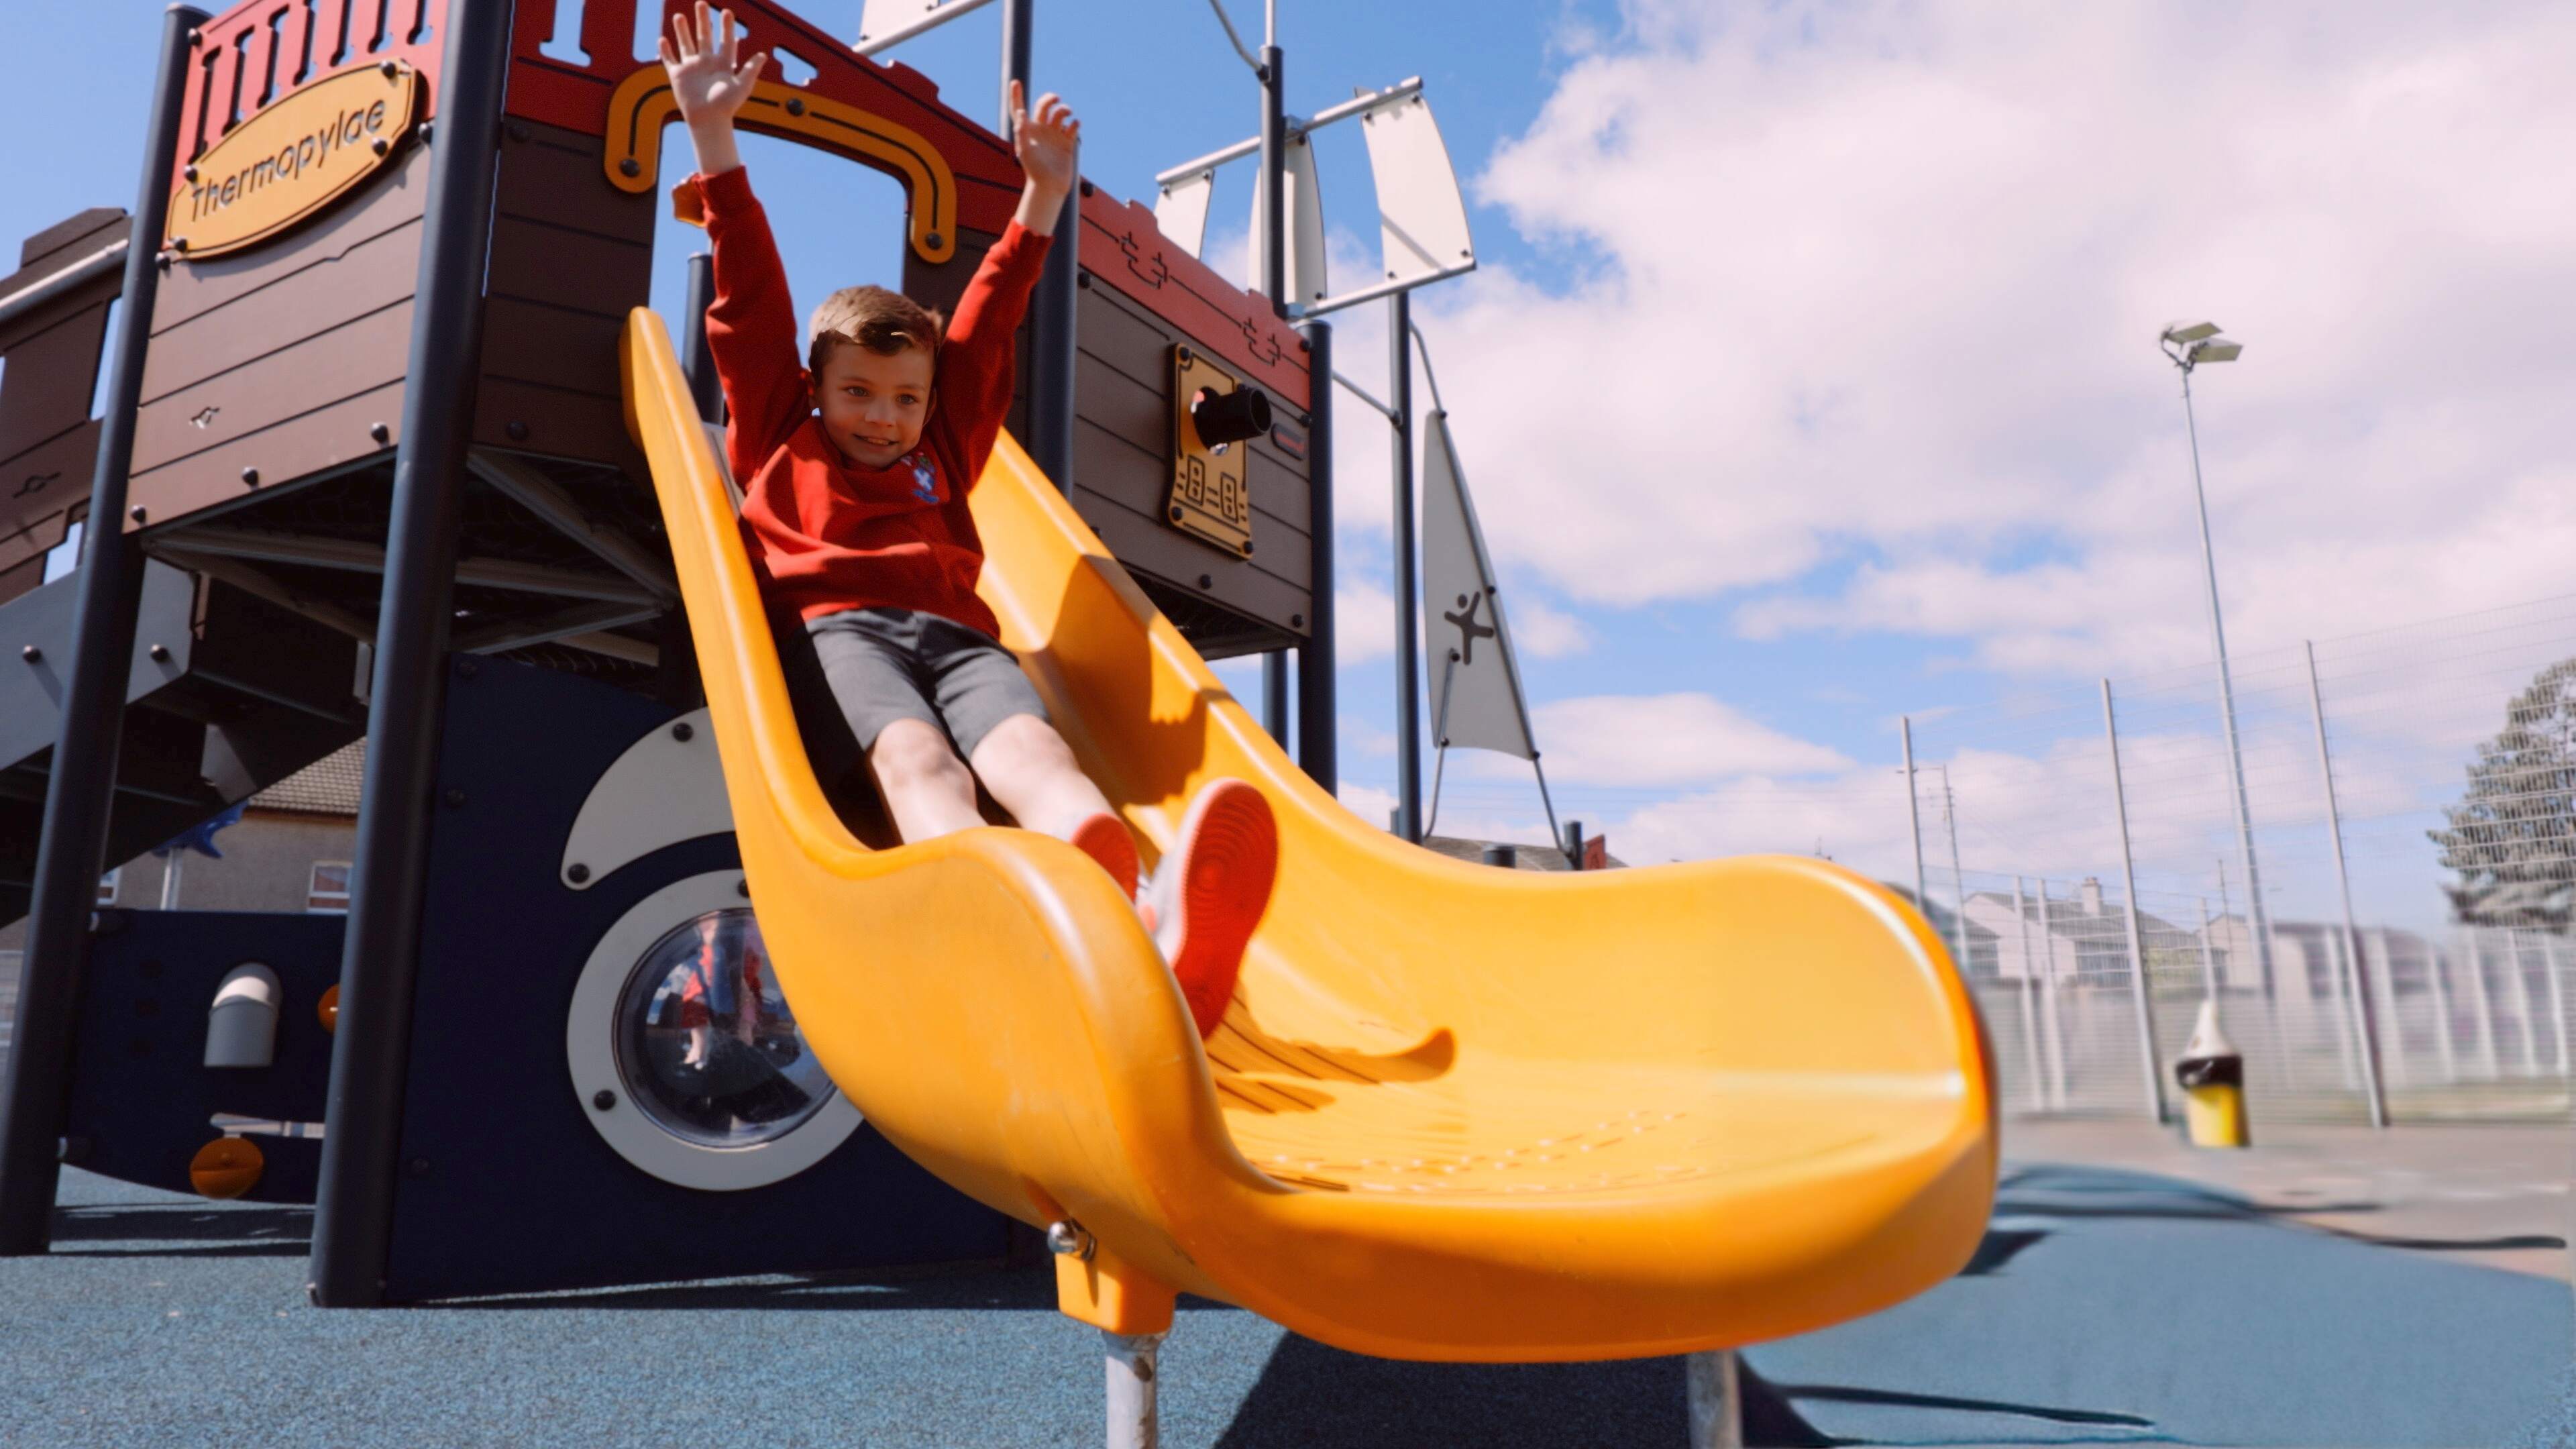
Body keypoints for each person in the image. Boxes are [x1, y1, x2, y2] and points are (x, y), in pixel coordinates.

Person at [661, 4, 1271, 1035]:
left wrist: (1040, 198)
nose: (883, 417)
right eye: (859, 392)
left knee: (1037, 761)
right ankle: (984, 914)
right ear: (818, 387)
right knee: (920, 766)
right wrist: (716, 142)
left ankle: (1132, 919)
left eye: (904, 398)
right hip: (841, 632)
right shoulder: (777, 431)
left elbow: (987, 330)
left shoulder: (944, 447)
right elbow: (752, 302)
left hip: (961, 640)